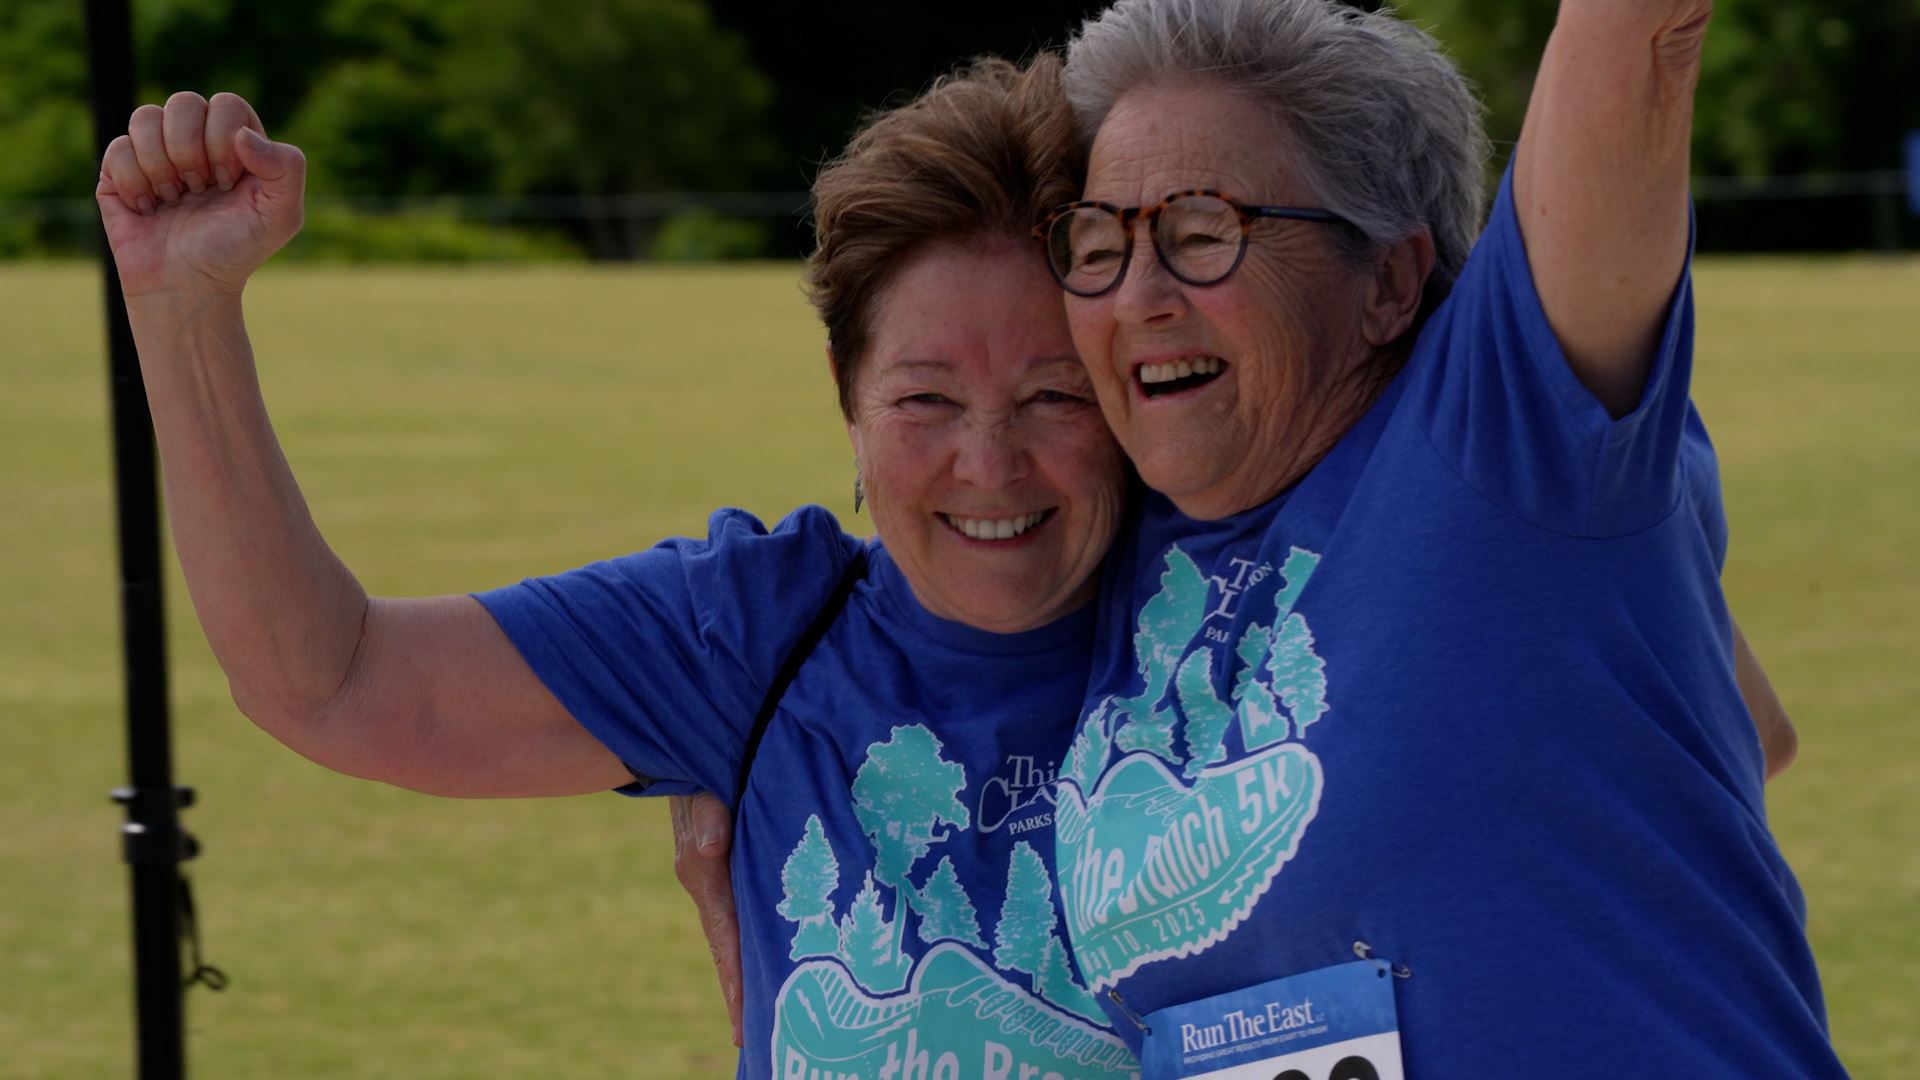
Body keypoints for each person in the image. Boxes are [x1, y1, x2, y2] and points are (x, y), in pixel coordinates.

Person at [95, 57, 1145, 1078]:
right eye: (925, 400)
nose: (990, 464)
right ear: (845, 396)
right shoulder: (761, 633)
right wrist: (185, 318)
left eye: (1057, 396)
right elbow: (328, 681)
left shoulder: (1248, 613)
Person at [1031, 0, 1845, 1075]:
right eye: (1099, 242)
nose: (1138, 295)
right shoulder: (1115, 543)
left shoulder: (1501, 436)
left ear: (1389, 281)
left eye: (1201, 234)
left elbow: (1633, 27)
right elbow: (1755, 728)